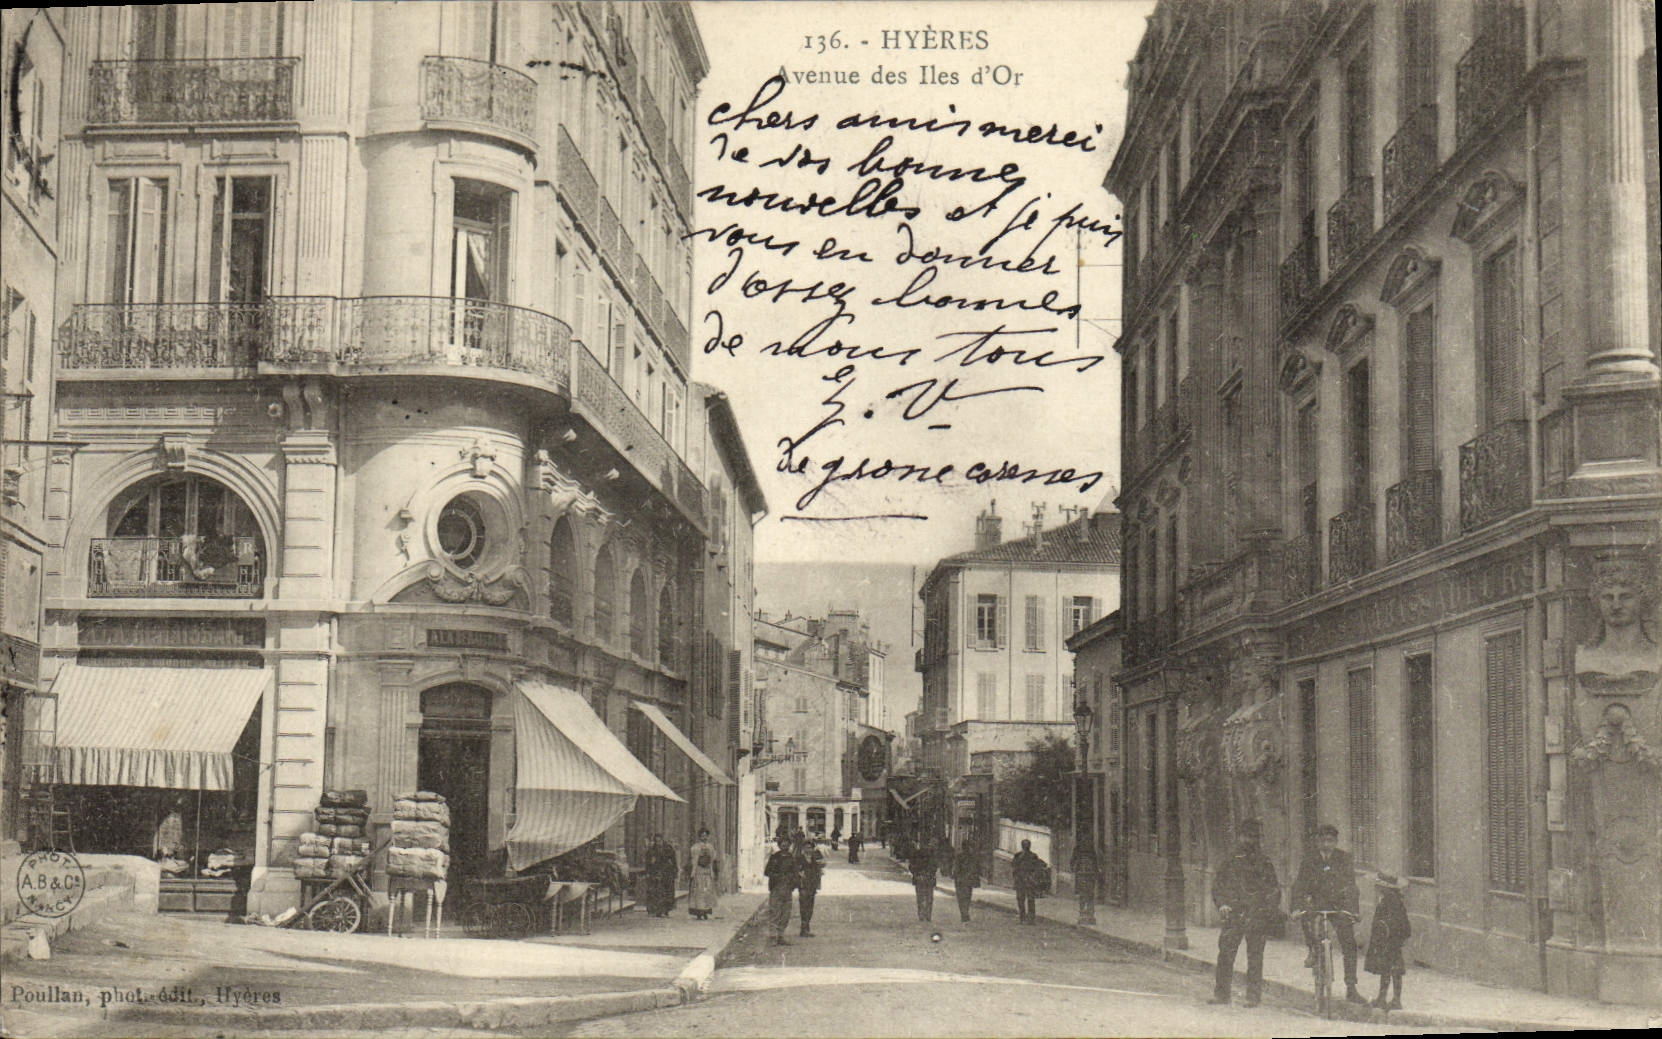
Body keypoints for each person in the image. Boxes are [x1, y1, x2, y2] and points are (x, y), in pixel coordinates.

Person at [1207, 818, 1281, 1008]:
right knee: (1226, 954)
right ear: (1239, 837)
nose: (1248, 841)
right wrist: (1222, 904)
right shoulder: (1230, 859)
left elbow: (1274, 888)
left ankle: (1253, 997)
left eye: (1252, 837)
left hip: (1256, 914)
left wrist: (1268, 910)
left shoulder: (1264, 862)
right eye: (1245, 836)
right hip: (1234, 913)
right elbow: (1218, 885)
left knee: (1255, 956)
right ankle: (1222, 994)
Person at [1292, 823, 1366, 1004]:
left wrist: (1353, 911)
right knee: (1306, 919)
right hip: (1316, 904)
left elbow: (1351, 886)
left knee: (1349, 944)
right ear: (1317, 842)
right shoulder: (1309, 860)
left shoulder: (1344, 858)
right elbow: (1299, 885)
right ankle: (1312, 949)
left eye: (1331, 840)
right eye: (1323, 840)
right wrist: (1296, 907)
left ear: (1336, 841)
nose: (1327, 844)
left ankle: (1351, 988)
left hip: (1339, 907)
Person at [1365, 872, 1412, 1010]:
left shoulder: (1390, 900)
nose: (1376, 887)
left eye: (1378, 885)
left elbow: (1394, 922)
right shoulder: (1393, 899)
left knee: (1387, 969)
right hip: (1393, 940)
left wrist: (1384, 935)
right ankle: (1393, 999)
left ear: (1384, 887)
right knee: (1393, 969)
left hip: (1389, 940)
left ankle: (1386, 999)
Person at [763, 834, 799, 945]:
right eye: (782, 843)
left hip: (787, 889)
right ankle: (773, 937)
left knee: (786, 914)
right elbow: (767, 872)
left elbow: (796, 873)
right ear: (779, 845)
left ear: (789, 845)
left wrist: (792, 883)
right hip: (776, 888)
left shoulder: (792, 858)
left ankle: (780, 936)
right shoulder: (774, 857)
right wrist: (778, 876)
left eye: (787, 843)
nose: (784, 845)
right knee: (775, 912)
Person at [686, 827, 720, 921]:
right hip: (699, 871)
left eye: (706, 836)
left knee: (707, 892)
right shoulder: (695, 847)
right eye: (702, 836)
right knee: (699, 892)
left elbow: (713, 860)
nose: (704, 837)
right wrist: (692, 872)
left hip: (707, 872)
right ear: (699, 836)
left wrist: (713, 871)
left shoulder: (711, 847)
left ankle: (706, 911)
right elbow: (693, 860)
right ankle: (698, 912)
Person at [1012, 839, 1049, 924]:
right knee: (1021, 900)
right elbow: (1014, 866)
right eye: (1024, 845)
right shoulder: (1018, 855)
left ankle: (1031, 918)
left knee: (1031, 899)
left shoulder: (1033, 856)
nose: (1026, 847)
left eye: (1027, 845)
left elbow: (1039, 866)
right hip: (1021, 880)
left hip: (1029, 881)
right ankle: (1023, 918)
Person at [796, 832, 825, 936]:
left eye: (810, 848)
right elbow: (795, 870)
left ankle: (806, 927)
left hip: (812, 886)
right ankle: (803, 929)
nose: (808, 850)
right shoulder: (799, 858)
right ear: (803, 848)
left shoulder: (814, 858)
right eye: (806, 847)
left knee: (810, 907)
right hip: (803, 886)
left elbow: (822, 866)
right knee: (804, 907)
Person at [644, 833, 677, 918]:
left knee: (667, 893)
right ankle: (657, 910)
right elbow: (647, 862)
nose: (658, 842)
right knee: (657, 892)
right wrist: (648, 871)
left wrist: (675, 871)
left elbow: (674, 860)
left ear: (662, 840)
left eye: (660, 840)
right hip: (656, 873)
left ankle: (666, 910)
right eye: (656, 841)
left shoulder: (668, 848)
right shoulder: (651, 850)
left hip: (667, 873)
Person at [909, 838, 939, 922]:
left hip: (919, 878)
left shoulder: (916, 853)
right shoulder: (932, 854)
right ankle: (928, 915)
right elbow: (935, 866)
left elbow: (911, 866)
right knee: (929, 897)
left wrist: (916, 873)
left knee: (920, 897)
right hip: (929, 878)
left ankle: (921, 914)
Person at [952, 839, 981, 922]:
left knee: (961, 898)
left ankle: (963, 913)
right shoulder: (973, 857)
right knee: (967, 897)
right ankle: (966, 912)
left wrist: (954, 875)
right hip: (968, 880)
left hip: (960, 880)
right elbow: (976, 869)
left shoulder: (959, 856)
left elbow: (956, 868)